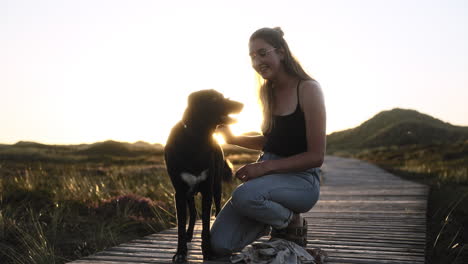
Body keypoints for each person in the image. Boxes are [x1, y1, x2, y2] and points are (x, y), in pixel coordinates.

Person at [210, 27, 326, 257]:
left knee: (245, 195)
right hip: (267, 181)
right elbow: (272, 141)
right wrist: (234, 139)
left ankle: (291, 221)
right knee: (218, 245)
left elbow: (316, 156)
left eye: (262, 53)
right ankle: (269, 217)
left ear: (281, 53)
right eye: (252, 56)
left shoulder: (308, 89)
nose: (257, 61)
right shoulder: (267, 91)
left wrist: (263, 167)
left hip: (302, 180)